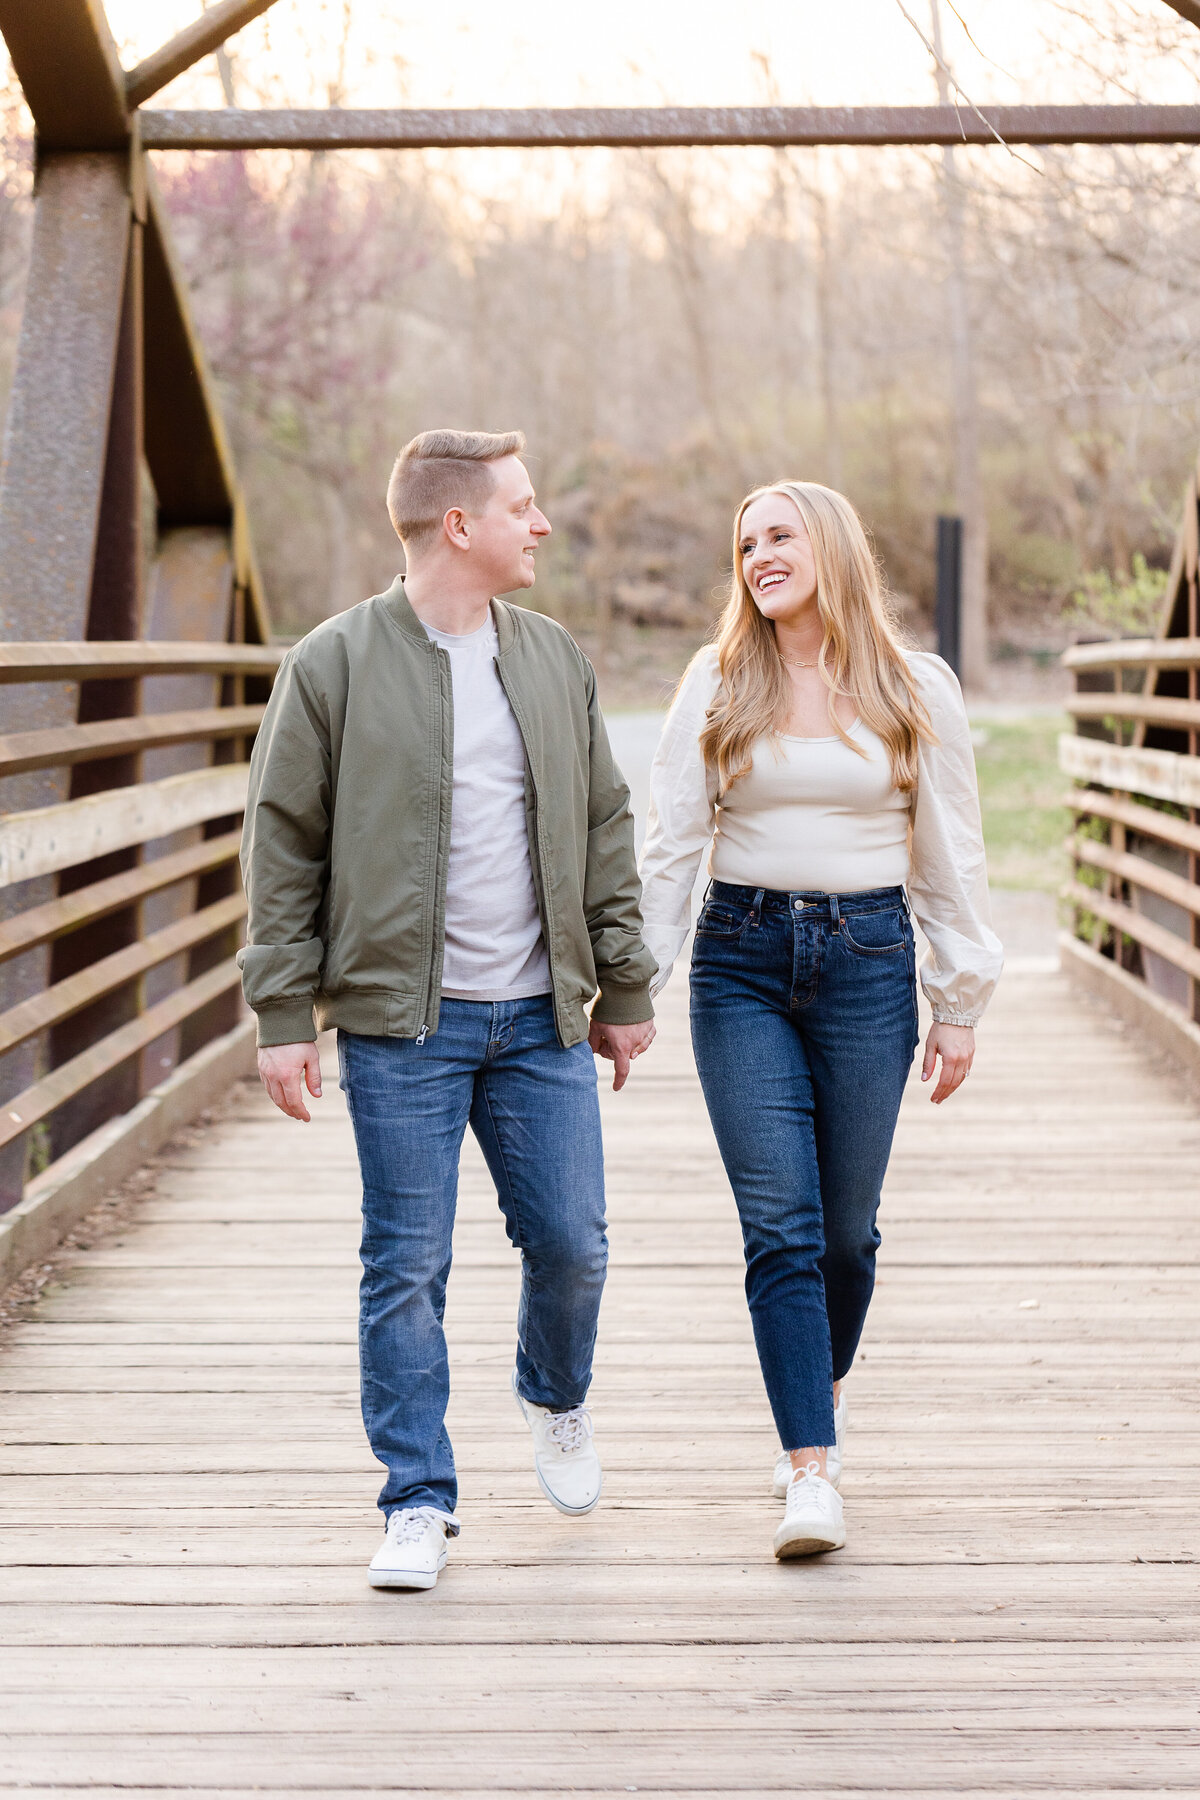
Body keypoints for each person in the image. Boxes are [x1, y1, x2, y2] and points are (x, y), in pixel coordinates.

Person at [239, 428, 656, 1591]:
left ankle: (554, 1396)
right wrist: (281, 1013)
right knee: (406, 1264)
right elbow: (281, 847)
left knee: (572, 1246)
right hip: (399, 1025)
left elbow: (606, 826)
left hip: (539, 1022)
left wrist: (622, 984)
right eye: (523, 507)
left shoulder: (552, 658)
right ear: (457, 526)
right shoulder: (331, 663)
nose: (543, 525)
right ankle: (417, 1497)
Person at [639, 480, 1002, 1561]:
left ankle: (813, 1387)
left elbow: (951, 852)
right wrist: (633, 990)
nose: (757, 556)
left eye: (779, 535)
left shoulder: (911, 686)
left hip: (869, 964)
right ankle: (812, 1470)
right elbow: (669, 848)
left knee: (847, 1235)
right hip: (740, 966)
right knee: (782, 1228)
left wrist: (960, 1002)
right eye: (745, 543)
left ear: (831, 546)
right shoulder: (717, 678)